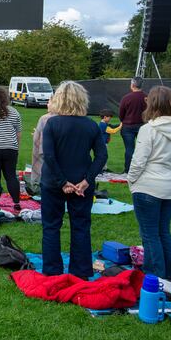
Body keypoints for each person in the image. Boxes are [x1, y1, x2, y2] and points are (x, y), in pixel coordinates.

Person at [40, 82, 107, 278]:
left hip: (56, 182)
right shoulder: (91, 125)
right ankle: (81, 270)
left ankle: (52, 271)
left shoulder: (52, 123)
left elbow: (49, 156)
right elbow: (101, 156)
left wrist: (63, 181)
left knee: (52, 226)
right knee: (80, 226)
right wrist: (87, 179)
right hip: (78, 184)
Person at [128, 86, 171, 279]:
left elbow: (138, 161)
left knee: (150, 234)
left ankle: (155, 276)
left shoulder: (148, 130)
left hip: (149, 186)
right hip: (170, 184)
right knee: (162, 231)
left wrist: (131, 181)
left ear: (152, 104)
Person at [119, 77, 147, 173]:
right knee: (142, 149)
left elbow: (121, 114)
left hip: (128, 126)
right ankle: (141, 170)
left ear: (132, 85)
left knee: (129, 149)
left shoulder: (126, 98)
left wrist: (124, 121)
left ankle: (128, 170)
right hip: (142, 126)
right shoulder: (146, 98)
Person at [29, 102, 56, 192]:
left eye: (49, 102)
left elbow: (37, 140)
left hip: (46, 153)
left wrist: (37, 137)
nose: (48, 104)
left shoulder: (45, 118)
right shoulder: (68, 117)